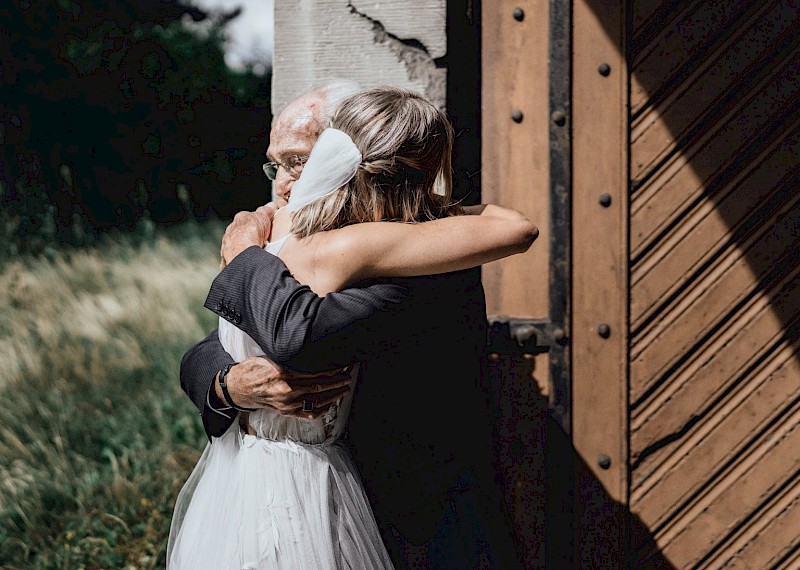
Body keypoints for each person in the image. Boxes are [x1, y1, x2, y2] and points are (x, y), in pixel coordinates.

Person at [174, 84, 533, 568]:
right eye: (274, 165)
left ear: (349, 160)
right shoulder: (296, 245)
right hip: (281, 499)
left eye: (298, 162)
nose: (281, 184)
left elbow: (297, 334)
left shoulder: (426, 257)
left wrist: (243, 253)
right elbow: (210, 346)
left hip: (412, 520)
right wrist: (228, 385)